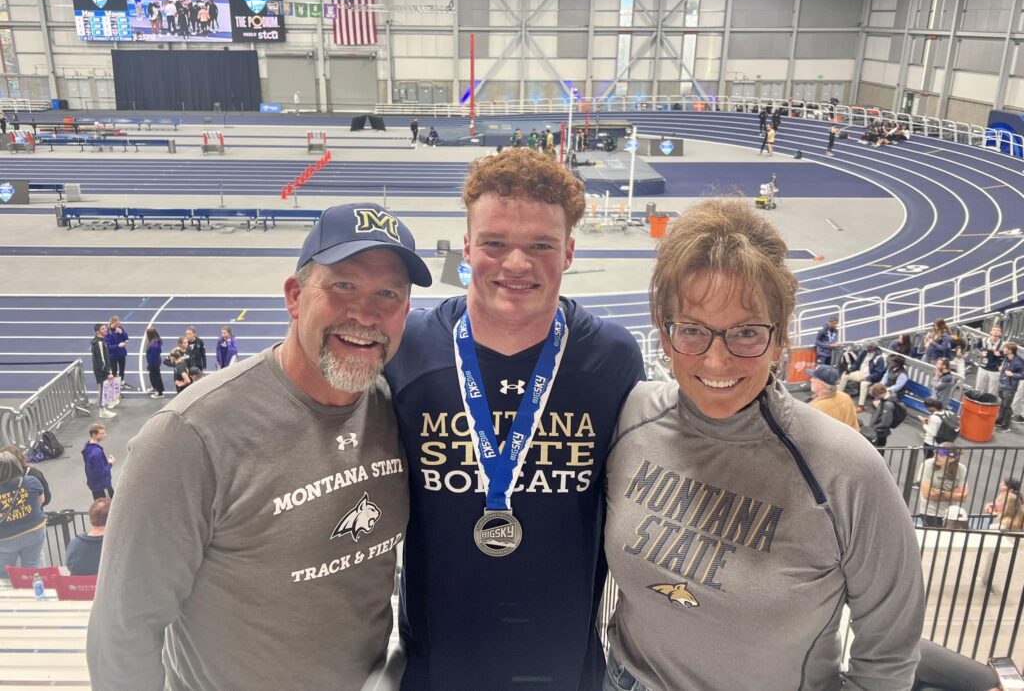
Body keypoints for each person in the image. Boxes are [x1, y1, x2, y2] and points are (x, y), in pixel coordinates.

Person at [88, 203, 431, 691]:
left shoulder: (395, 410)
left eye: (388, 294)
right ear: (294, 296)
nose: (365, 313)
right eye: (343, 286)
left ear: (405, 314)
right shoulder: (190, 436)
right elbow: (121, 633)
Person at [604, 198, 923, 690]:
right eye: (692, 331)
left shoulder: (847, 472)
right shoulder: (629, 417)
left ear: (779, 340)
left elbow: (890, 653)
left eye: (746, 333)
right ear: (664, 336)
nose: (716, 361)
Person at [384, 149, 645, 691]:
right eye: (496, 243)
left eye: (541, 245)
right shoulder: (408, 347)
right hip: (436, 667)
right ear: (467, 247)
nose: (517, 264)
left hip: (565, 667)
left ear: (569, 251)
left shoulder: (612, 359)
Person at [0, 453, 47, 572]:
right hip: (34, 530)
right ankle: (33, 587)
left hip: (5, 537)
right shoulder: (31, 481)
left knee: (5, 571)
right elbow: (41, 501)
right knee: (33, 566)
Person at [917, 444, 968, 528]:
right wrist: (953, 495)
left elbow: (963, 497)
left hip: (951, 514)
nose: (936, 456)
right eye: (936, 453)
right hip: (930, 512)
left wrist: (939, 492)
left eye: (941, 454)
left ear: (951, 458)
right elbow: (927, 494)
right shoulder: (927, 465)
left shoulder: (961, 469)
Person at [66, 497, 110, 576]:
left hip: (81, 586)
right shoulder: (117, 544)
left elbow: (70, 566)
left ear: (90, 518)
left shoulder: (74, 543)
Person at [806, 363, 859, 429]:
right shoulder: (845, 397)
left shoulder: (815, 409)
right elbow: (855, 425)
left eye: (814, 378)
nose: (811, 379)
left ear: (821, 384)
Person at [837, 340, 886, 409]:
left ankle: (861, 405)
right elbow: (857, 363)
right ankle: (838, 394)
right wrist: (850, 369)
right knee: (845, 375)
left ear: (872, 348)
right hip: (860, 373)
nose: (865, 348)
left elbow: (878, 373)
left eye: (867, 347)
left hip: (870, 377)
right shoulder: (865, 352)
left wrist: (867, 378)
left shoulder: (880, 358)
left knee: (863, 384)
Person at [860, 381, 901, 447]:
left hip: (880, 433)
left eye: (875, 396)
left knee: (879, 449)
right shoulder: (885, 400)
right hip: (879, 431)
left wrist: (872, 428)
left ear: (878, 394)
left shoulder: (888, 405)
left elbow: (885, 423)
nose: (875, 398)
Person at [82, 423, 114, 500]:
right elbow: (101, 472)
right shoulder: (97, 453)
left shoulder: (88, 447)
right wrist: (110, 463)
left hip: (95, 485)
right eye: (102, 433)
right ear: (94, 435)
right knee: (108, 507)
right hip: (102, 486)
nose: (105, 435)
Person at [90, 322, 113, 408]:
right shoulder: (99, 343)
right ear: (97, 332)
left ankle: (102, 409)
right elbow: (102, 360)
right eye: (102, 329)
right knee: (102, 390)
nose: (105, 329)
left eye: (105, 328)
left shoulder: (101, 340)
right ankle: (102, 410)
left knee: (101, 389)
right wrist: (108, 372)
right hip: (101, 371)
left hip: (100, 370)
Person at [105, 316, 130, 388]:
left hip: (121, 354)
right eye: (116, 324)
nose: (118, 325)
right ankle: (114, 385)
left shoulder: (120, 328)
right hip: (113, 356)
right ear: (112, 323)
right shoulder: (108, 332)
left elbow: (126, 339)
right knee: (114, 371)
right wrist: (118, 346)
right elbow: (108, 347)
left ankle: (122, 382)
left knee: (122, 369)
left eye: (118, 324)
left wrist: (122, 333)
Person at [144, 327, 164, 398]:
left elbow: (153, 357)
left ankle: (160, 392)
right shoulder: (153, 341)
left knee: (156, 376)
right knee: (152, 375)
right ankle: (155, 387)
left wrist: (149, 365)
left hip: (154, 363)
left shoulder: (154, 345)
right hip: (153, 362)